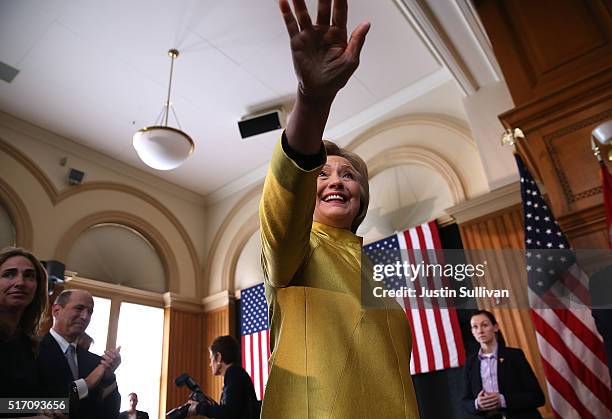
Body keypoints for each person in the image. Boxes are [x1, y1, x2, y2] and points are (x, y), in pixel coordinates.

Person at [258, 1, 420, 418]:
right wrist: (311, 102)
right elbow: (286, 200)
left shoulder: (370, 275)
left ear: (361, 198)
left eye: (348, 175)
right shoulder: (295, 249)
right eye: (321, 174)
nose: (335, 181)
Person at [0, 247, 67, 419]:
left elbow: (9, 404)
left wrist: (49, 407)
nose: (20, 282)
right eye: (9, 274)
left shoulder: (31, 345)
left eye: (29, 276)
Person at [37, 289, 121, 419]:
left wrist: (109, 376)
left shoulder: (96, 362)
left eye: (90, 312)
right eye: (79, 308)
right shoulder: (32, 349)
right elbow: (12, 405)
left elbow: (111, 414)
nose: (85, 317)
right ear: (56, 310)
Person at [462, 310, 545, 419]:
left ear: (495, 327)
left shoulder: (515, 356)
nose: (480, 331)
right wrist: (477, 404)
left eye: (485, 325)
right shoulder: (470, 363)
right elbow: (466, 402)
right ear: (472, 332)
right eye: (475, 327)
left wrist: (503, 400)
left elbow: (537, 397)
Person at [187, 335, 259, 419]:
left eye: (211, 359)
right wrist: (211, 404)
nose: (210, 364)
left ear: (218, 357)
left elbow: (229, 413)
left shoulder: (234, 373)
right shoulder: (235, 374)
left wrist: (198, 408)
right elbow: (232, 410)